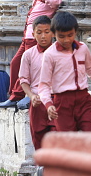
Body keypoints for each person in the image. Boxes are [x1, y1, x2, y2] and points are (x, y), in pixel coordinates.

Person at [0, 0, 62, 108]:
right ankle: (14, 95)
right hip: (27, 36)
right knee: (15, 63)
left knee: (27, 67)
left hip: (37, 38)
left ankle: (21, 95)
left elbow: (56, 2)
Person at [38, 11, 91, 132]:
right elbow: (44, 84)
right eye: (61, 36)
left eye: (70, 35)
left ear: (75, 32)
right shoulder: (50, 54)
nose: (66, 40)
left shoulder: (83, 48)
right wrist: (48, 105)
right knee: (68, 140)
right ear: (54, 34)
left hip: (83, 98)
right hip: (62, 102)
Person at [18, 15, 55, 150]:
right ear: (33, 34)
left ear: (53, 32)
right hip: (37, 101)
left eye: (47, 31)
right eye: (39, 33)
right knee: (38, 136)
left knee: (57, 135)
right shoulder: (28, 55)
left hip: (55, 100)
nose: (43, 36)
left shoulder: (60, 53)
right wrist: (31, 96)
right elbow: (23, 80)